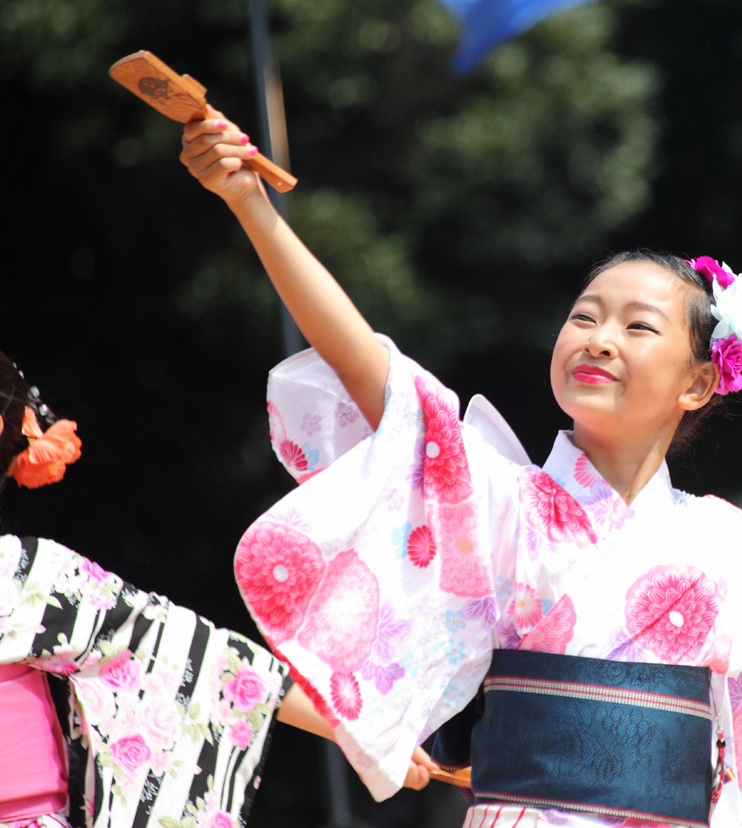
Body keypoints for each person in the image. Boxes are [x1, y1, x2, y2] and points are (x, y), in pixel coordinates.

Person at [178, 106, 742, 828]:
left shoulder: (722, 544)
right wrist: (252, 208)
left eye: (637, 325)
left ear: (702, 381)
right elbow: (370, 368)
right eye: (585, 314)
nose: (598, 338)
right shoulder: (504, 498)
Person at [0, 352, 433, 828]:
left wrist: (368, 733)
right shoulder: (23, 573)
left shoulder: (24, 573)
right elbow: (193, 655)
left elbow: (199, 659)